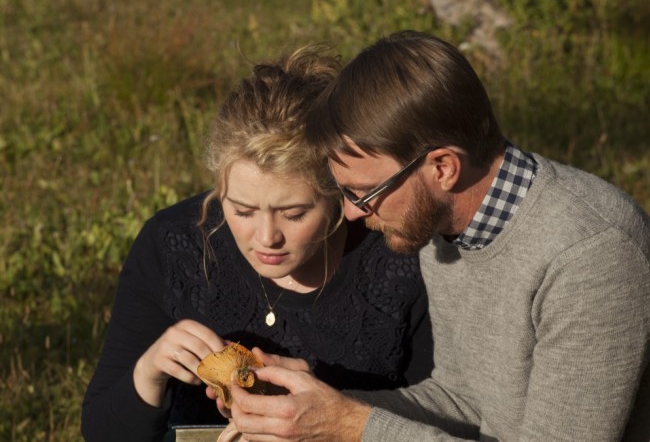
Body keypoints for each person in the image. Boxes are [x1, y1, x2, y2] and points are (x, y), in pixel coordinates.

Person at [226, 30, 650, 441]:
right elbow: (461, 402)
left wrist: (349, 424)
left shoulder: (591, 257)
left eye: (366, 192)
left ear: (443, 167)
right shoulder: (445, 225)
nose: (352, 212)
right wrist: (312, 411)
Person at [80, 45, 434, 442]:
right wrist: (148, 372)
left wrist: (334, 418)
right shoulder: (174, 245)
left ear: (339, 194)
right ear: (218, 190)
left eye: (295, 213)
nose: (267, 237)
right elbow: (100, 432)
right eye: (242, 211)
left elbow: (446, 418)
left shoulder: (399, 260)